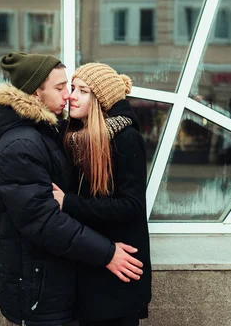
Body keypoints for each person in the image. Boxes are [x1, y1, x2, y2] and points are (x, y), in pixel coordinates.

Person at [0, 52, 144, 326]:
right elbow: (43, 219)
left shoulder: (52, 132)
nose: (69, 95)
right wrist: (105, 253)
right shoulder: (23, 144)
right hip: (41, 283)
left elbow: (127, 200)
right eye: (62, 88)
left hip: (68, 279)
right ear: (37, 93)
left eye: (74, 89)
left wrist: (118, 108)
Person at [53, 63, 152, 326]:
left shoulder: (125, 139)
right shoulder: (73, 138)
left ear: (100, 100)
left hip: (118, 274)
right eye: (72, 88)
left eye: (82, 90)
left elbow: (131, 205)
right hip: (89, 263)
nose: (72, 95)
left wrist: (68, 203)